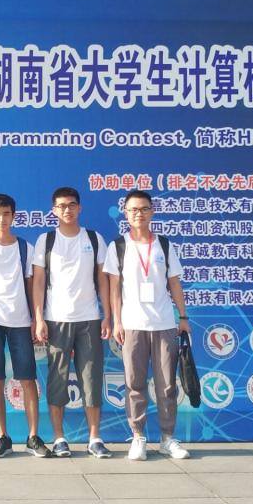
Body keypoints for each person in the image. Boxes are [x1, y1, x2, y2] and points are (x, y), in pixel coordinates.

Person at [103, 189, 191, 460]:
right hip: (132, 324)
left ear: (152, 211)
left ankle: (167, 438)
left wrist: (183, 317)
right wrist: (117, 321)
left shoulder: (164, 245)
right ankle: (138, 436)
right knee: (134, 383)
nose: (138, 214)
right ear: (125, 214)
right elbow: (114, 288)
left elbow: (174, 283)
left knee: (167, 385)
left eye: (143, 209)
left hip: (164, 323)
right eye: (133, 210)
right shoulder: (118, 246)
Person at [0, 193, 51, 458]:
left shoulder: (25, 248)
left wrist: (36, 319)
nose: (1, 219)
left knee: (28, 379)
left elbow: (32, 286)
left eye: (6, 214)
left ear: (14, 216)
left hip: (20, 321)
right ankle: (3, 437)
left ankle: (33, 437)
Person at [32, 187, 113, 458]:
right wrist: (39, 318)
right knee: (57, 379)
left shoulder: (94, 238)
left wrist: (107, 315)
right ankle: (59, 439)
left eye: (71, 205)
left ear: (80, 208)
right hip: (56, 319)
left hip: (89, 319)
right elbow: (39, 282)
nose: (67, 210)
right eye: (61, 206)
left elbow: (102, 280)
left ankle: (94, 438)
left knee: (91, 379)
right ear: (54, 210)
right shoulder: (46, 240)